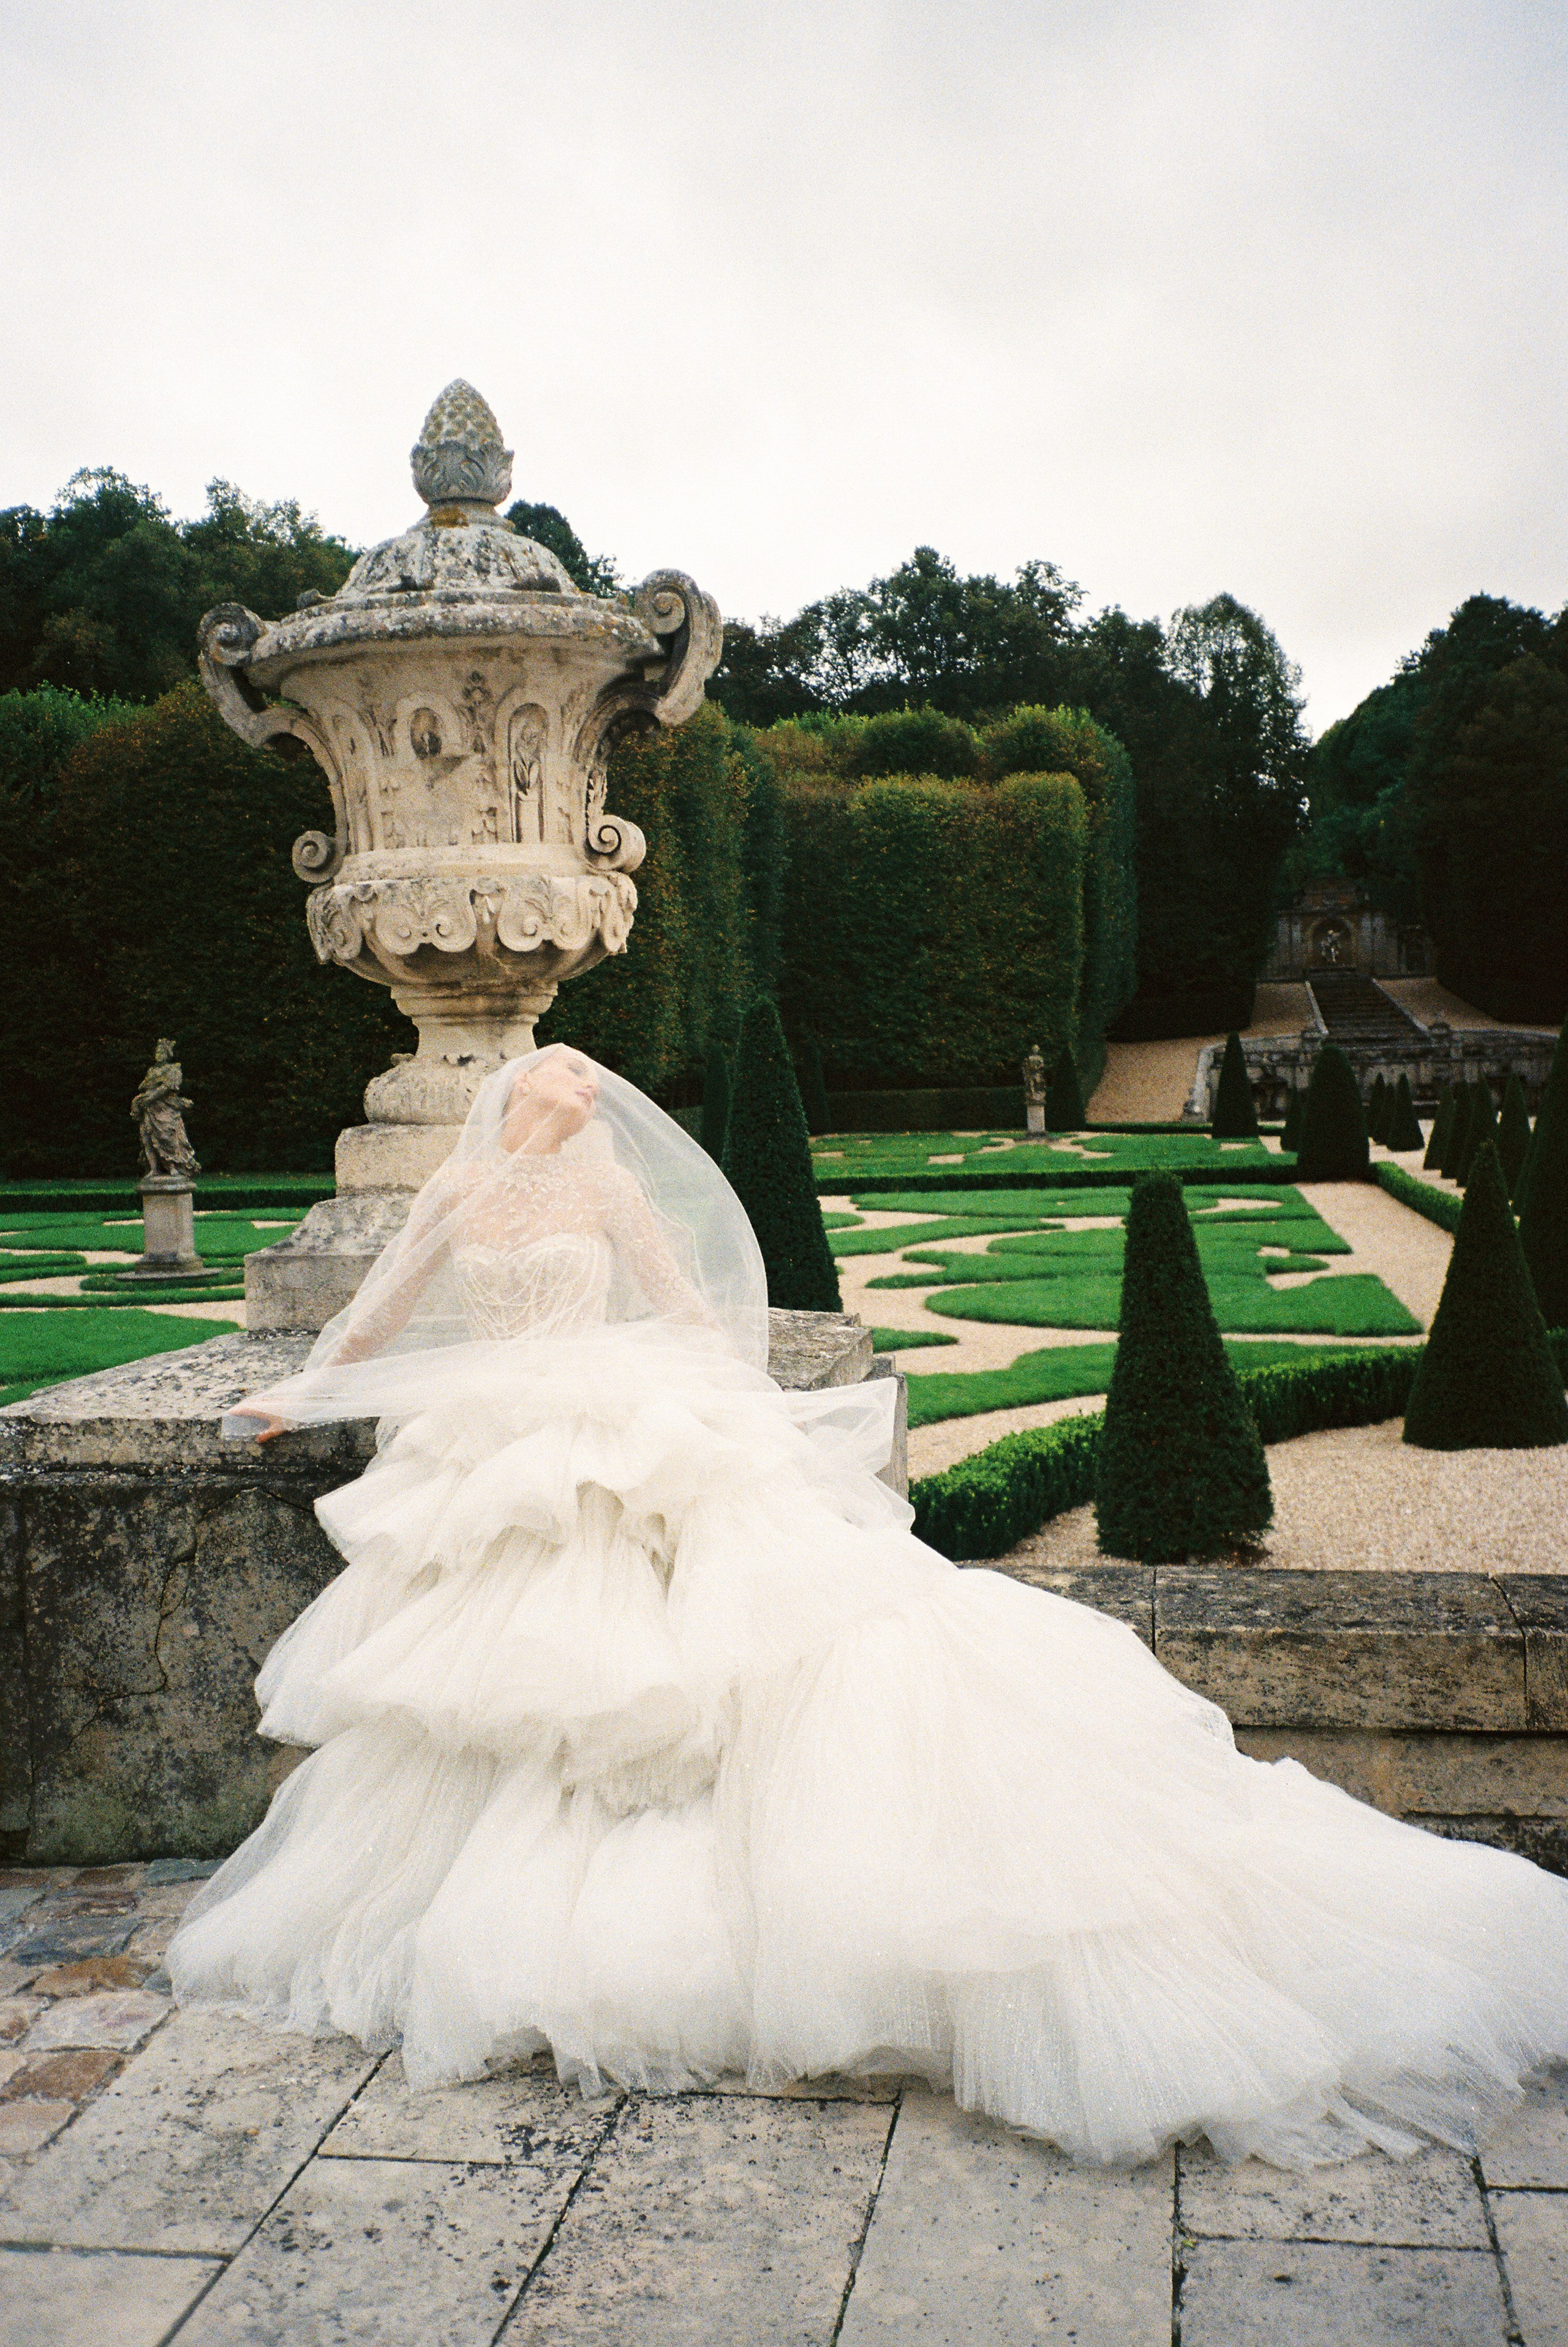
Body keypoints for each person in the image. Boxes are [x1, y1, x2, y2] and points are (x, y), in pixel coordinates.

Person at [169, 1046, 1568, 2170]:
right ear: (510, 1094)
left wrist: (744, 1411)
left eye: (591, 1083)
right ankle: (492, 1894)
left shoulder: (605, 1186)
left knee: (675, 1664)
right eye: (565, 1079)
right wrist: (294, 1392)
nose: (586, 1092)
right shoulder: (458, 1195)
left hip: (621, 1420)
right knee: (510, 1671)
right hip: (505, 1439)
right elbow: (376, 1313)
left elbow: (687, 1306)